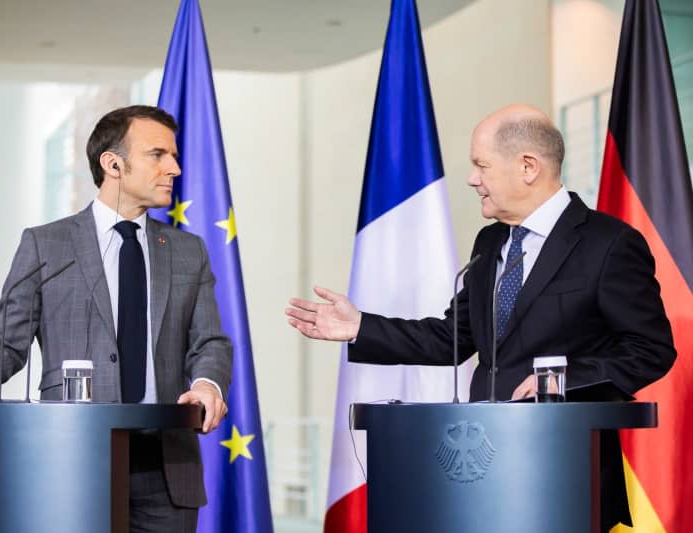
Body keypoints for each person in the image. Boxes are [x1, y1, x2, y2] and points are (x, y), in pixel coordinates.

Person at [286, 103, 675, 530]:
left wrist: (563, 382)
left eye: (481, 165)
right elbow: (451, 338)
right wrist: (361, 327)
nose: (473, 179)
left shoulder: (609, 243)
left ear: (528, 166)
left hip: (567, 476)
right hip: (481, 473)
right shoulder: (489, 243)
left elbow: (650, 348)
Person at [0, 105, 232, 533]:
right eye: (158, 154)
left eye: (173, 155)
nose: (174, 166)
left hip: (167, 467)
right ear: (113, 163)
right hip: (72, 461)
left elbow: (210, 341)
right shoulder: (46, 246)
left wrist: (207, 384)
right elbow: (4, 345)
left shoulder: (189, 251)